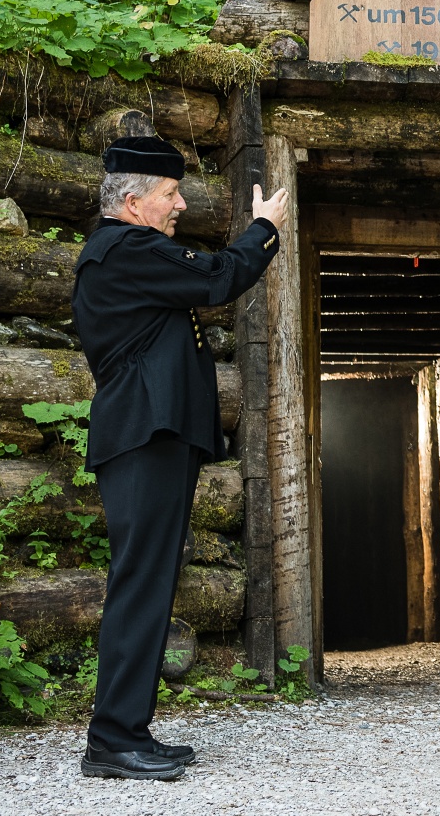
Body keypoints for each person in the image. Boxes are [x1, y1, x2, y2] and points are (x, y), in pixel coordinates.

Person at [73, 136, 289, 781]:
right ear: (134, 203)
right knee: (141, 585)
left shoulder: (128, 251)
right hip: (144, 436)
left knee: (149, 584)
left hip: (152, 436)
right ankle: (112, 740)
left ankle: (126, 732)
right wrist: (264, 229)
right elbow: (221, 276)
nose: (180, 204)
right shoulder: (127, 248)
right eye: (171, 195)